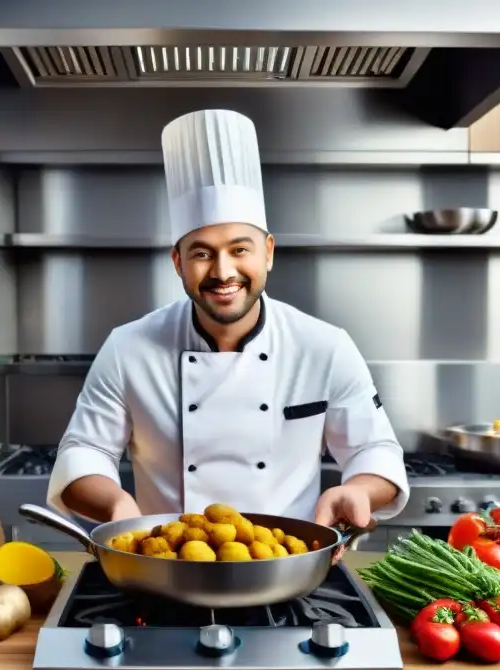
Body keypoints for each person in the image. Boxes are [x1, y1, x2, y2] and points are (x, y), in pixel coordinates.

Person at [47, 109, 409, 533]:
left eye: (240, 250)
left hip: (288, 561)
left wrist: (360, 491)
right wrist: (115, 505)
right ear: (178, 261)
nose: (223, 272)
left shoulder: (324, 346)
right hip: (167, 563)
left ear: (268, 253)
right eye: (202, 253)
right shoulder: (129, 348)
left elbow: (375, 449)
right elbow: (83, 451)